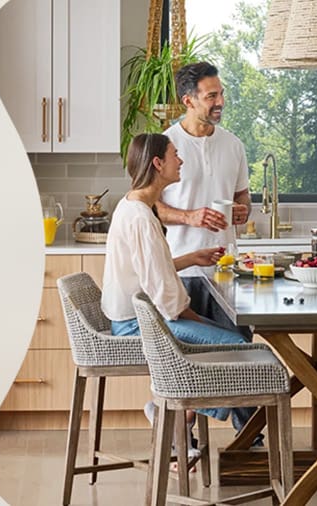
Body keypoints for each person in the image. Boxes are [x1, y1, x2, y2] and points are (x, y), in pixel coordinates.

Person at [103, 133, 261, 465]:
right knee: (239, 347)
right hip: (138, 325)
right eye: (176, 155)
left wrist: (191, 258)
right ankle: (172, 408)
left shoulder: (133, 206)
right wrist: (200, 321)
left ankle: (175, 411)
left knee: (231, 340)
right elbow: (166, 299)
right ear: (158, 164)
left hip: (135, 318)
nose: (181, 161)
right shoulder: (143, 218)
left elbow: (148, 269)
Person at [156, 62, 252, 278]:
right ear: (188, 101)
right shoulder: (165, 145)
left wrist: (243, 209)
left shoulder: (233, 144)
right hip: (181, 270)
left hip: (226, 269)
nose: (221, 102)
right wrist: (188, 217)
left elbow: (242, 195)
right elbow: (150, 208)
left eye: (221, 94)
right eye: (211, 96)